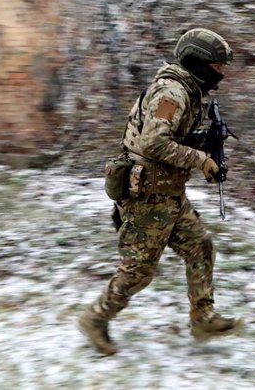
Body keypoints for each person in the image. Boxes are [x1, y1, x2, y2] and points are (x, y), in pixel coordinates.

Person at [79, 28, 242, 356]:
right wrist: (200, 159)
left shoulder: (189, 92)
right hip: (146, 199)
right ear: (198, 63)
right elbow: (153, 142)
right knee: (138, 273)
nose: (221, 74)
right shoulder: (173, 93)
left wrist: (205, 145)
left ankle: (202, 317)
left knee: (200, 246)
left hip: (169, 194)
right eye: (216, 66)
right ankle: (95, 318)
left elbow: (170, 139)